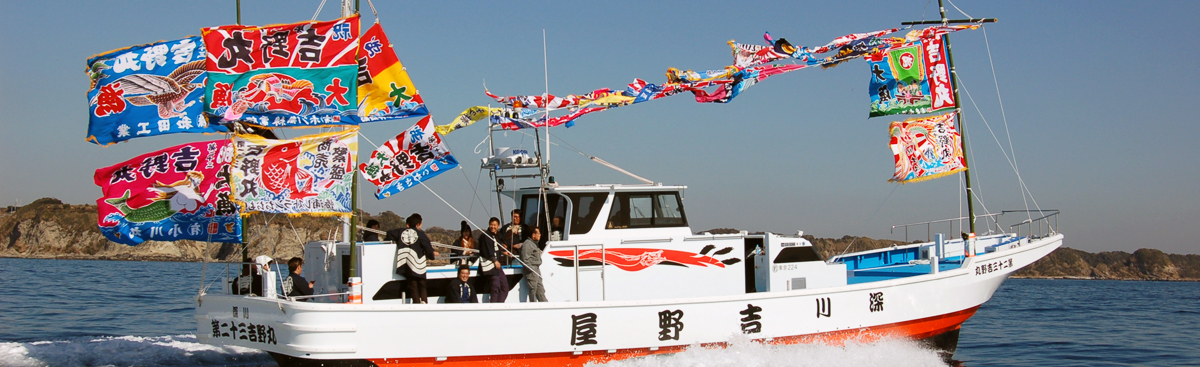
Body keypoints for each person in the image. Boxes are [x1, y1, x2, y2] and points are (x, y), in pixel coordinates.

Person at [385, 213, 438, 304]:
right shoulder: (420, 234)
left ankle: (416, 302)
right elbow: (427, 247)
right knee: (422, 284)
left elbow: (389, 233)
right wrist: (432, 256)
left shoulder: (401, 231)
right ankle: (424, 301)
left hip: (405, 264)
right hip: (418, 263)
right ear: (419, 224)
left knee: (412, 284)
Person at [476, 217, 510, 303]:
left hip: (497, 265)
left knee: (505, 287)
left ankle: (499, 303)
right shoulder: (485, 236)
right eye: (491, 224)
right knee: (495, 286)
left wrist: (503, 252)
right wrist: (494, 260)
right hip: (491, 265)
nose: (492, 227)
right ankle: (493, 305)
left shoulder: (497, 236)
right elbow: (486, 250)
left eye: (494, 225)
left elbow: (496, 248)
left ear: (498, 226)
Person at [515, 227, 547, 302]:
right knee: (533, 290)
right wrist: (531, 270)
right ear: (533, 235)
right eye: (538, 233)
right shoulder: (528, 244)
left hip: (536, 269)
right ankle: (533, 305)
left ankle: (544, 304)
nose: (540, 235)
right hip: (532, 270)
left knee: (540, 289)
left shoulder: (533, 244)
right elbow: (525, 259)